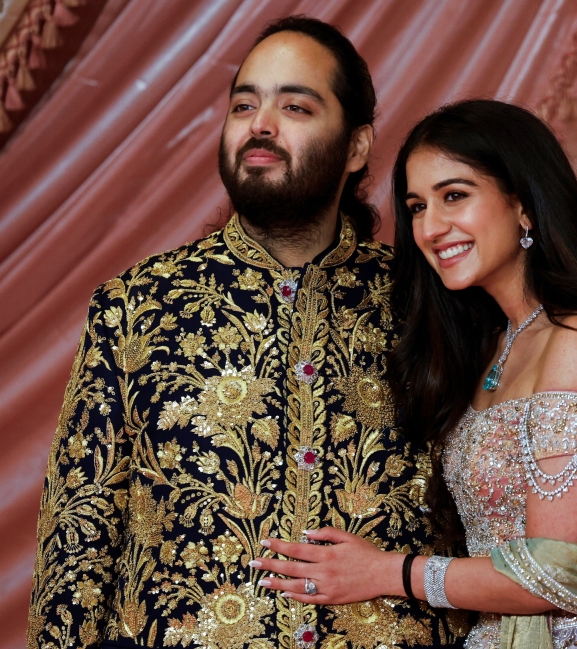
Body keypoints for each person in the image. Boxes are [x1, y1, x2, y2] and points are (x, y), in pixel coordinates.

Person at [27, 16, 468, 649]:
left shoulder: (425, 302)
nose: (261, 123)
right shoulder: (138, 305)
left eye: (295, 106)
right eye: (243, 105)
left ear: (356, 147)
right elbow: (77, 539)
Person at [252, 100, 577, 649]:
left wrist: (386, 572)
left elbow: (553, 572)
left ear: (524, 205)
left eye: (454, 195)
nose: (430, 227)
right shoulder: (493, 346)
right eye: (417, 206)